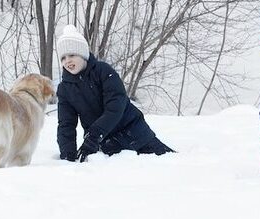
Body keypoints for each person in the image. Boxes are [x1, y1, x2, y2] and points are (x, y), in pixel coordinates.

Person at [55, 25, 174, 162]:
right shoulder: (64, 89)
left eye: (72, 55)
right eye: (63, 58)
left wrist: (93, 136)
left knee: (170, 163)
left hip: (135, 134)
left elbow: (115, 107)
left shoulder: (103, 71)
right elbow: (66, 124)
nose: (67, 60)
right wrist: (67, 156)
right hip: (108, 145)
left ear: (83, 54)